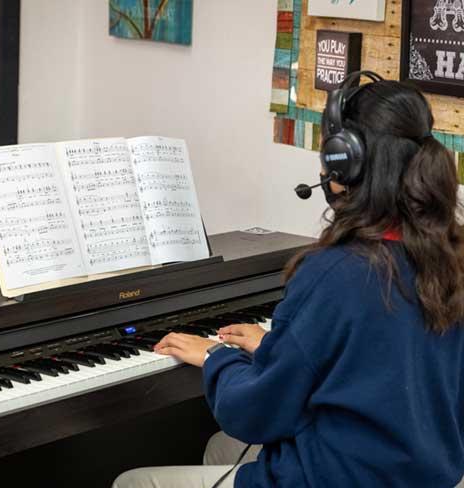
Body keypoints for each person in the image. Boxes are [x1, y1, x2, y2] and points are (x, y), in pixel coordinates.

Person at [112, 72, 464, 488]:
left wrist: (216, 358)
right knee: (219, 449)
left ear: (343, 163)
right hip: (425, 472)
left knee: (134, 481)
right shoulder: (449, 253)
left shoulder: (336, 270)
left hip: (339, 478)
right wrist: (273, 348)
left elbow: (253, 415)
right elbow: (381, 357)